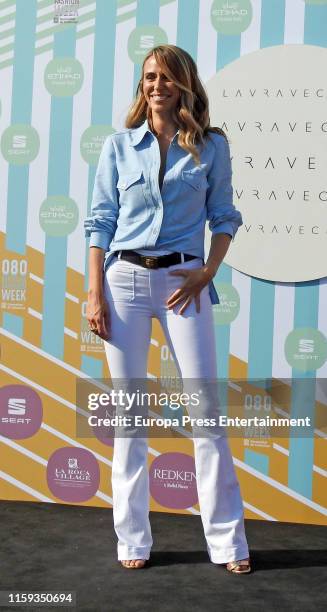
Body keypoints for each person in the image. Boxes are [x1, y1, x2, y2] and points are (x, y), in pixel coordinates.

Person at [84, 44, 251, 574]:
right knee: (130, 418)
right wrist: (94, 293)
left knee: (206, 416)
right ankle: (132, 540)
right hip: (124, 282)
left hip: (186, 281)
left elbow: (225, 216)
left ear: (184, 84)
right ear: (143, 85)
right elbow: (99, 224)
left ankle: (228, 545)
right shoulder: (117, 146)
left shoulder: (211, 147)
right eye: (149, 77)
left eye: (167, 77)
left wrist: (207, 271)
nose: (157, 85)